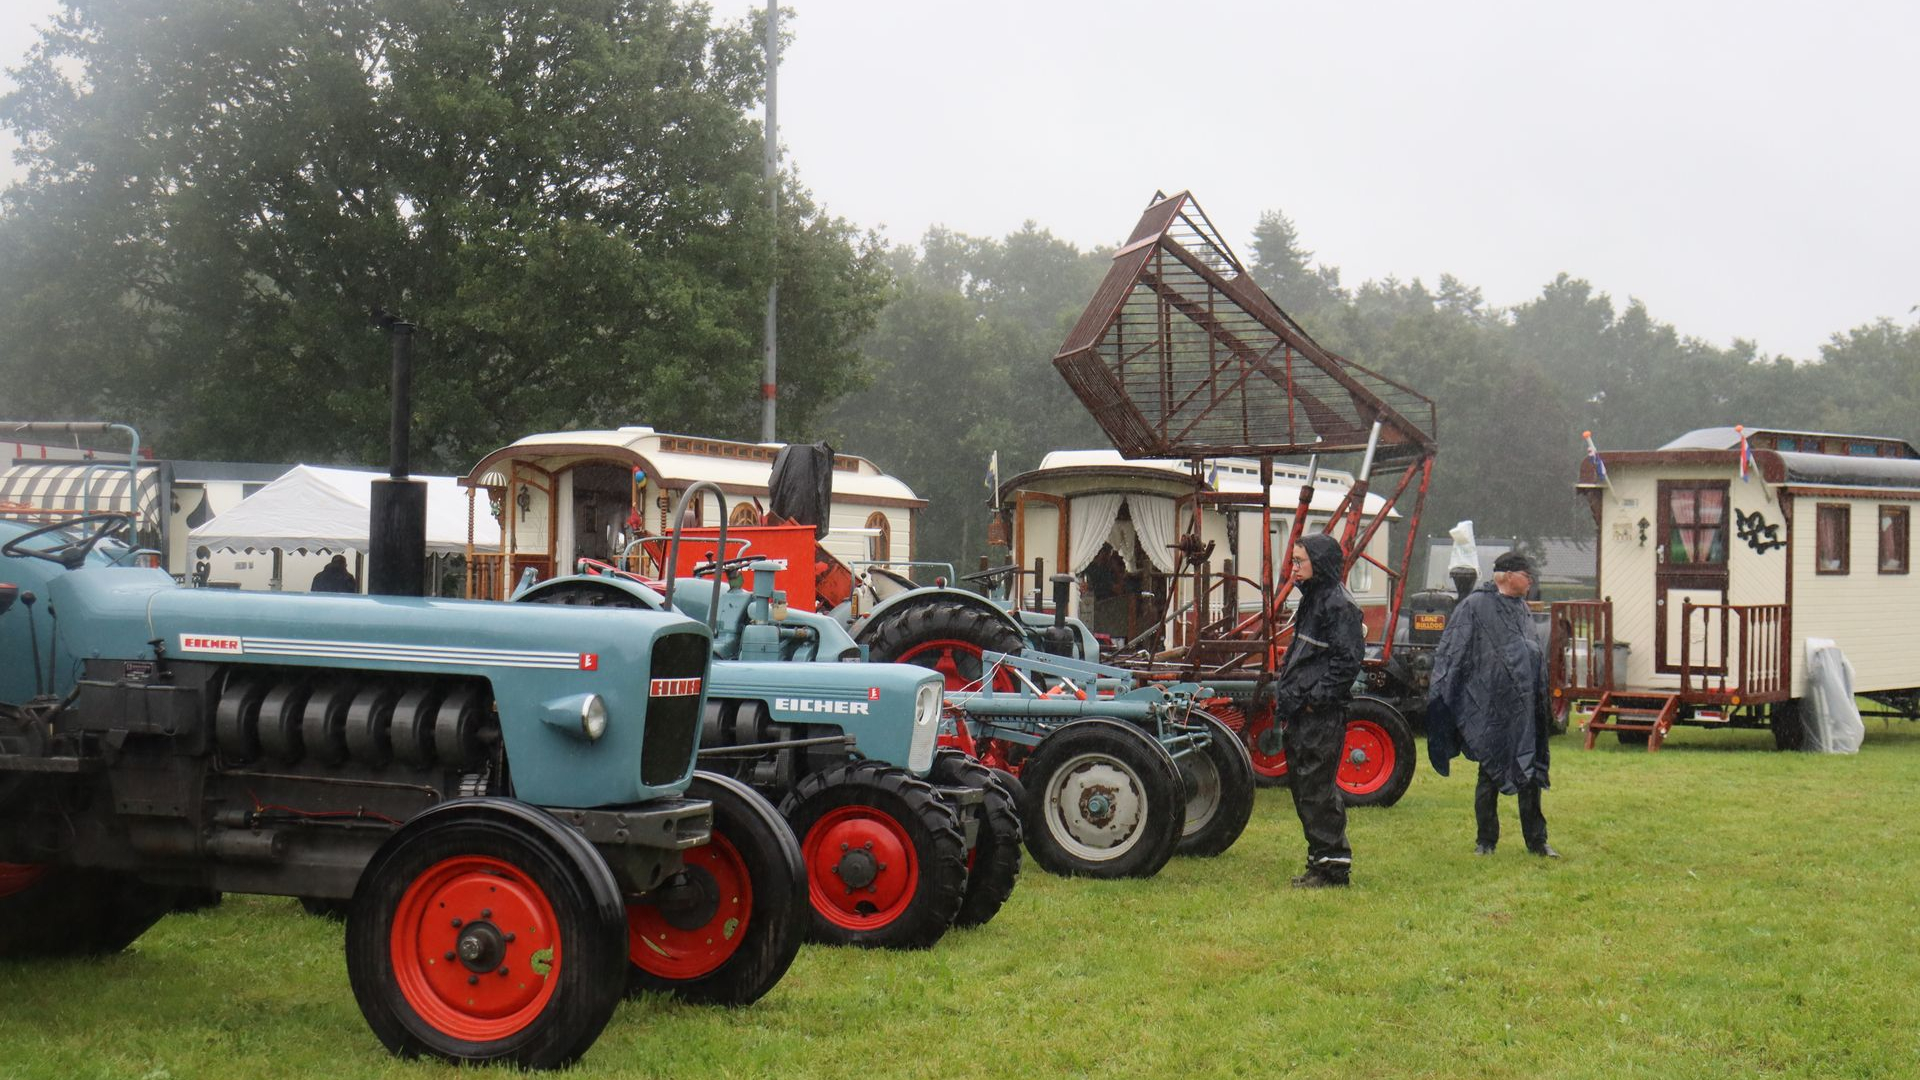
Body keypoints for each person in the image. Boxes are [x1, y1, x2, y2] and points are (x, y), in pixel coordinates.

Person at [1425, 551, 1559, 858]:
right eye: (1527, 575)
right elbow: (1454, 652)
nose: (1531, 581)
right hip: (1490, 706)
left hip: (1524, 706)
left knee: (1530, 770)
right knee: (1489, 771)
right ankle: (1485, 841)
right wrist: (1451, 693)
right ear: (1509, 575)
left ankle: (1537, 841)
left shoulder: (1522, 608)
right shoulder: (1475, 606)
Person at [1267, 533, 1365, 888]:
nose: (1293, 569)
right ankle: (1320, 862)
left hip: (1319, 715)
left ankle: (1333, 868)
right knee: (1305, 788)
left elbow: (1346, 663)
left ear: (1318, 563)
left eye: (1299, 561)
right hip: (1302, 711)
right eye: (1293, 561)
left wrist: (1314, 699)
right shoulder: (1314, 599)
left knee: (1317, 790)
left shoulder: (1338, 605)